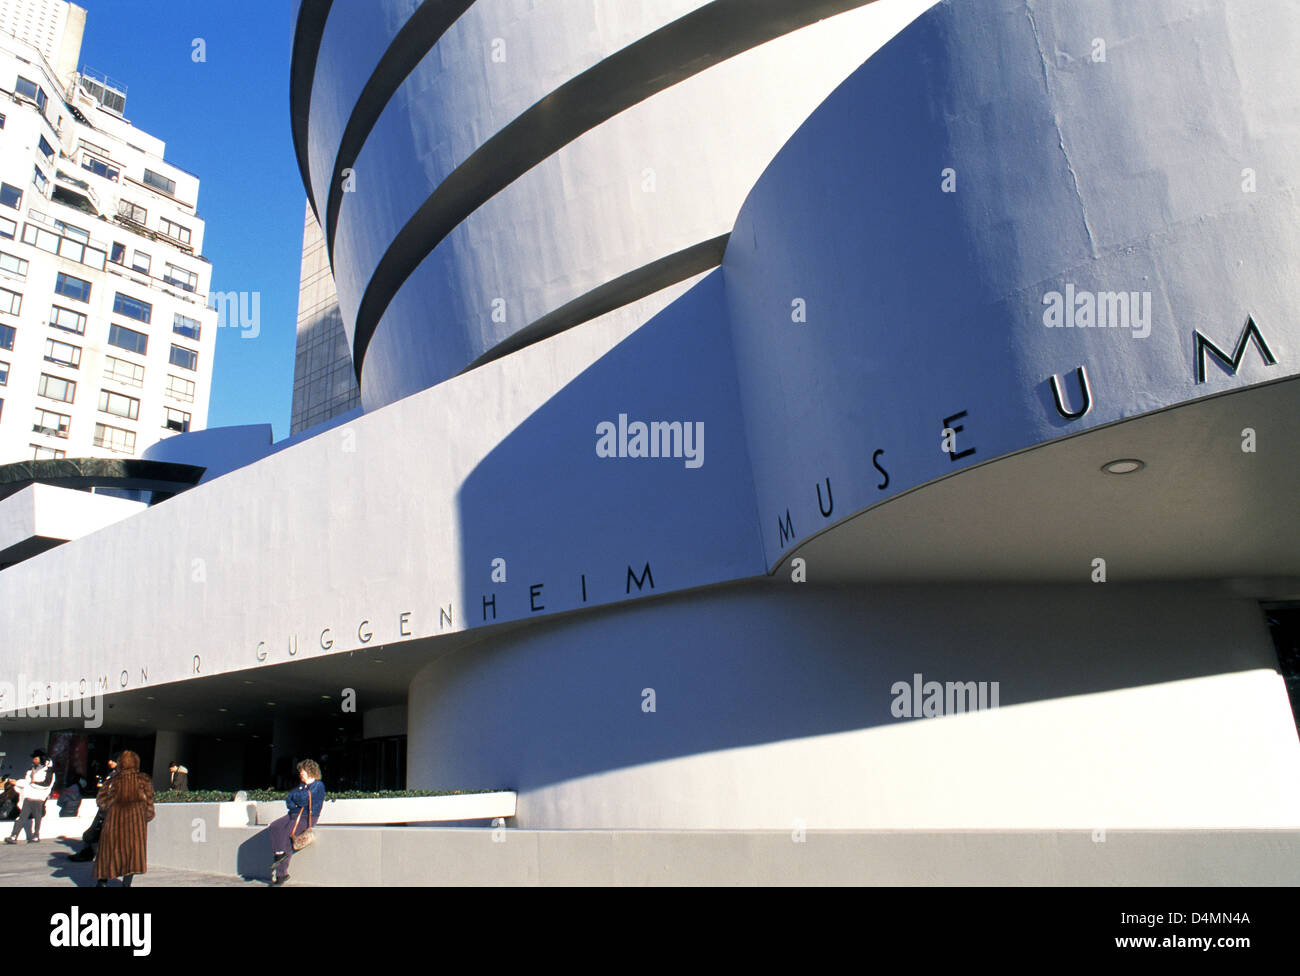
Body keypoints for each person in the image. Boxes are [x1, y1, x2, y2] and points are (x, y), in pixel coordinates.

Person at [93, 750, 154, 887]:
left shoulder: (113, 780)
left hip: (114, 822)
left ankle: (102, 882)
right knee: (132, 855)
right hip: (135, 824)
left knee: (108, 852)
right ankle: (126, 884)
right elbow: (149, 804)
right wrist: (145, 816)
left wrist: (111, 806)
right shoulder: (144, 780)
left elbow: (101, 801)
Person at [268, 759, 325, 886]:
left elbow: (303, 800)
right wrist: (296, 799)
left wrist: (297, 797)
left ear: (310, 771)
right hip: (293, 814)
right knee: (274, 827)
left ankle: (281, 874)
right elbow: (289, 800)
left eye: (302, 771)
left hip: (305, 817)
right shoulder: (301, 786)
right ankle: (279, 853)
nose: (300, 774)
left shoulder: (318, 785)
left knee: (286, 836)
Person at [68, 755, 115, 862]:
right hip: (104, 808)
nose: (110, 762)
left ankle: (91, 854)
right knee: (92, 833)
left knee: (96, 833)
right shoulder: (112, 774)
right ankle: (88, 853)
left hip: (110, 809)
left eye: (113, 760)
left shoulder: (120, 776)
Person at [4, 751, 54, 844]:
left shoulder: (48, 772)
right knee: (22, 817)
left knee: (37, 818)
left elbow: (46, 784)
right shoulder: (31, 770)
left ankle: (36, 835)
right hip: (28, 797)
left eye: (36, 758)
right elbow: (27, 782)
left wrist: (32, 783)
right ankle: (14, 836)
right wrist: (18, 782)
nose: (34, 760)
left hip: (38, 798)